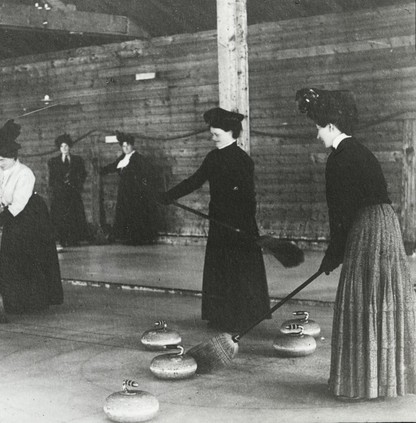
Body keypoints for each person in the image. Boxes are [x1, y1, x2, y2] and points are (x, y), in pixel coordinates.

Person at [296, 88, 416, 401]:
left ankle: (360, 384)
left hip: (366, 229)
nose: (317, 134)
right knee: (378, 301)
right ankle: (381, 383)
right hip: (386, 227)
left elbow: (341, 216)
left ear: (332, 127)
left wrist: (331, 256)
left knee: (361, 301)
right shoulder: (361, 150)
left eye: (319, 127)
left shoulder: (339, 159)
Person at [156, 107, 271, 332]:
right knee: (220, 269)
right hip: (218, 223)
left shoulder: (243, 161)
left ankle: (242, 317)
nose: (213, 137)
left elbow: (249, 198)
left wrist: (244, 226)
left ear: (230, 133)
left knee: (238, 270)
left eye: (216, 134)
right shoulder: (213, 157)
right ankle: (219, 315)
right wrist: (169, 195)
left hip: (239, 225)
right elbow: (194, 181)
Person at [0, 119, 63, 313]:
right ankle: (13, 299)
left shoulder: (25, 173)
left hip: (31, 215)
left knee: (29, 255)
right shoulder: (0, 168)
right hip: (13, 216)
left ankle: (33, 301)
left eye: (2, 160)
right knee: (12, 255)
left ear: (12, 157)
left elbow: (18, 205)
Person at [100, 132, 159, 245]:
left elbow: (149, 172)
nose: (126, 148)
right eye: (123, 146)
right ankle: (127, 237)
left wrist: (142, 183)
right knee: (125, 213)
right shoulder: (122, 158)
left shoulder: (139, 158)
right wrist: (101, 170)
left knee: (136, 214)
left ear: (132, 146)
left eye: (128, 145)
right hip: (124, 192)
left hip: (135, 193)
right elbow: (113, 166)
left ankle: (137, 238)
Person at [47, 133, 88, 247]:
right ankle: (62, 238)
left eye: (66, 146)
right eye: (62, 147)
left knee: (74, 216)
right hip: (60, 195)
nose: (64, 148)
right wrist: (57, 189)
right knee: (60, 217)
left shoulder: (77, 160)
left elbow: (83, 174)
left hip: (73, 194)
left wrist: (78, 185)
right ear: (59, 148)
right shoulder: (53, 162)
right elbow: (52, 179)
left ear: (70, 147)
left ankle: (74, 239)